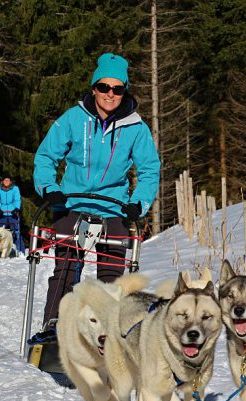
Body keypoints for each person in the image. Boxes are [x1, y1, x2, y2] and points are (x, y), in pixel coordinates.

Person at [31, 52, 161, 342]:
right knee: (65, 266)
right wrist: (49, 188)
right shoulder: (73, 119)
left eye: (116, 89)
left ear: (123, 91)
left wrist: (138, 203)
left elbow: (150, 169)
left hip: (114, 206)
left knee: (112, 274)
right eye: (104, 87)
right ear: (94, 88)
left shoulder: (136, 127)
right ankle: (56, 325)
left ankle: (107, 333)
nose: (110, 94)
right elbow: (45, 156)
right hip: (72, 202)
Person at [0, 174, 25, 254]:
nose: (6, 182)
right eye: (5, 180)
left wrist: (16, 208)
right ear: (2, 181)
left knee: (16, 232)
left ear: (10, 181)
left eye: (8, 180)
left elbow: (17, 199)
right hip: (1, 213)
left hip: (12, 213)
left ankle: (20, 250)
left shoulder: (15, 189)